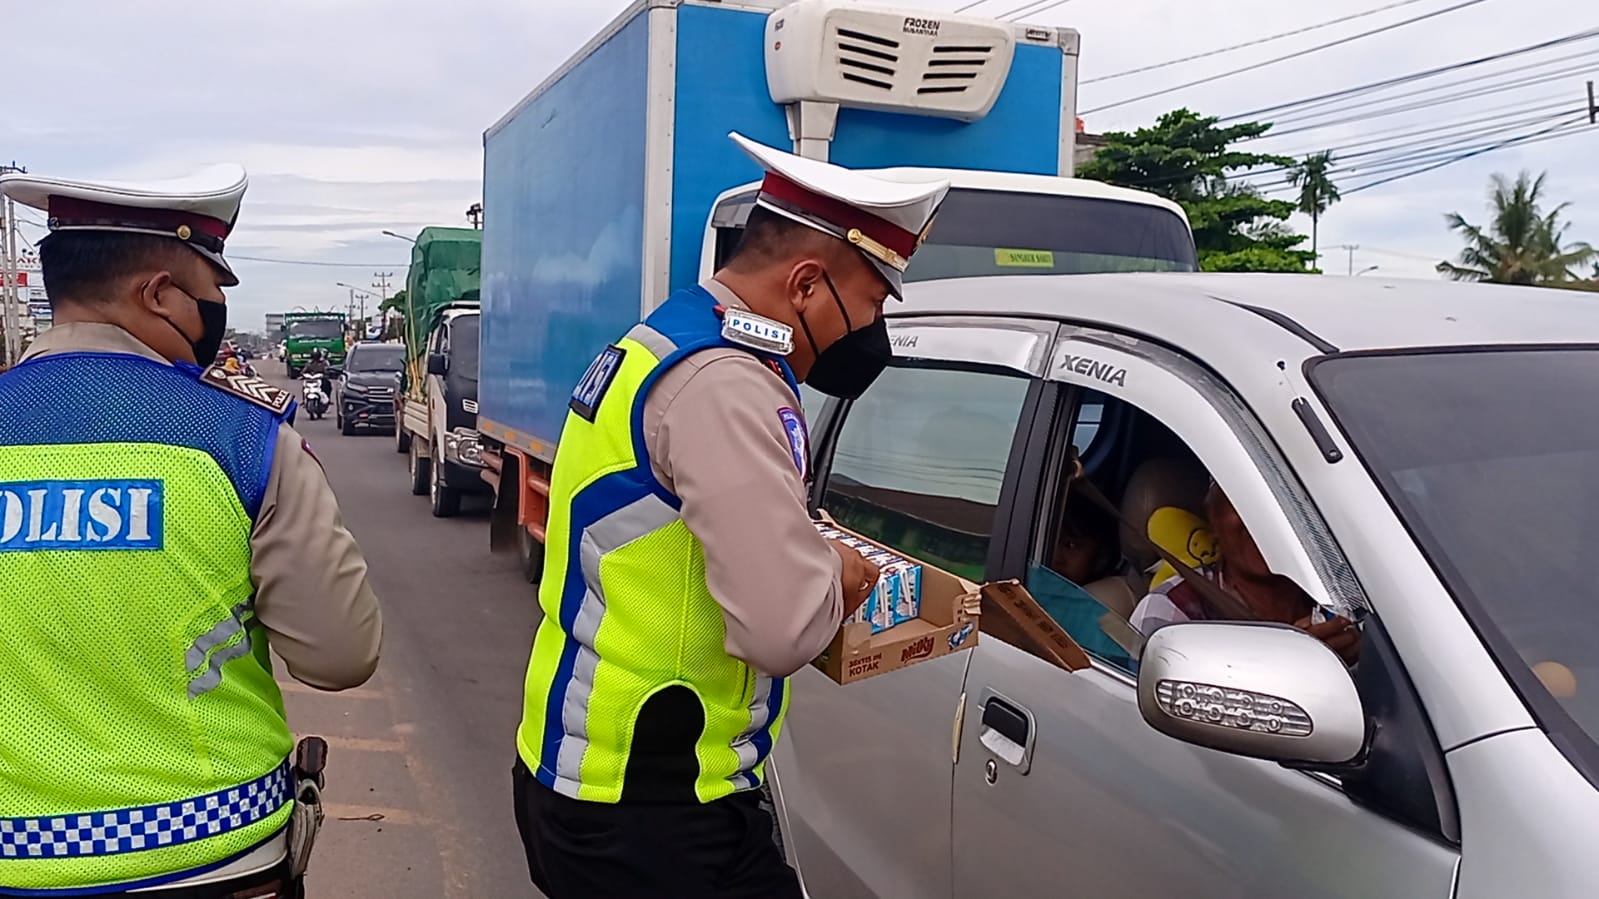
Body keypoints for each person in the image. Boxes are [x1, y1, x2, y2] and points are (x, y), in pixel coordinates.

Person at [511, 133, 948, 898]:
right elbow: (780, 629)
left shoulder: (666, 338)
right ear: (808, 283)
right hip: (655, 810)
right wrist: (838, 575)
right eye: (872, 302)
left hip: (587, 777)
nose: (872, 330)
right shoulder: (728, 384)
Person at [0, 165, 384, 897]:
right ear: (158, 294)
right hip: (210, 852)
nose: (213, 314)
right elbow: (340, 654)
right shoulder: (243, 437)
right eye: (211, 293)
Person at [1129, 481, 1359, 663]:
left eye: (1283, 500)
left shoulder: (1348, 595)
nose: (1264, 518)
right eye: (1242, 499)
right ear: (1213, 520)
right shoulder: (1172, 611)